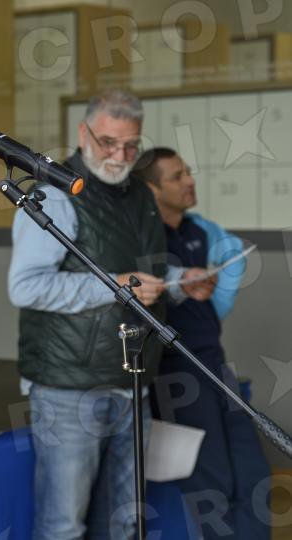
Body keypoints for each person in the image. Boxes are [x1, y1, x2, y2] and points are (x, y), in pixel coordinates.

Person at [8, 89, 203, 539]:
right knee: (64, 526)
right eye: (108, 143)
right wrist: (116, 285)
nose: (119, 155)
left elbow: (141, 271)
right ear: (83, 134)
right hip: (68, 389)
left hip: (133, 380)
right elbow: (26, 286)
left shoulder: (141, 196)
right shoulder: (53, 195)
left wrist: (179, 279)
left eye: (131, 146)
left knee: (126, 521)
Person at [135, 147, 270, 539]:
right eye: (177, 176)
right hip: (176, 372)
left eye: (188, 172)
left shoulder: (196, 231)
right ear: (152, 189)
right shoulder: (143, 239)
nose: (190, 181)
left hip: (215, 363)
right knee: (213, 481)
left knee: (252, 473)